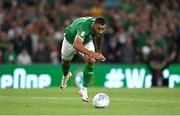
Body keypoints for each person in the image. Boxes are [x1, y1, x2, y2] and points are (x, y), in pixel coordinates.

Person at [60, 16, 106, 102]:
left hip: (86, 41)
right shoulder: (84, 26)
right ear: (94, 25)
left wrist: (99, 52)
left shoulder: (100, 28)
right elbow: (76, 45)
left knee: (91, 60)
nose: (100, 31)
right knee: (65, 62)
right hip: (70, 40)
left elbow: (99, 37)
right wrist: (92, 53)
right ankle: (66, 75)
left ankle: (83, 89)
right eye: (99, 28)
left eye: (103, 29)